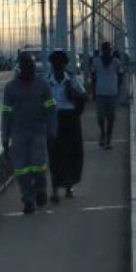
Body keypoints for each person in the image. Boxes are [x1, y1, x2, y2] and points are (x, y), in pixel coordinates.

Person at [0, 52, 57, 214]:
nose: (28, 69)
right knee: (21, 170)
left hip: (38, 132)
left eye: (31, 66)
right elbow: (6, 114)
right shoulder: (10, 88)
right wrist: (5, 137)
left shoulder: (43, 86)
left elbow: (51, 110)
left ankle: (40, 190)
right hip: (18, 134)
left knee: (38, 165)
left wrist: (52, 131)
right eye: (25, 66)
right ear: (20, 67)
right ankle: (28, 200)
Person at [47, 48, 86, 202]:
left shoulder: (72, 80)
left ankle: (69, 187)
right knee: (54, 155)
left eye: (60, 62)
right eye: (55, 62)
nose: (58, 65)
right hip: (55, 119)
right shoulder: (47, 81)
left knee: (72, 154)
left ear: (64, 64)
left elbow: (84, 95)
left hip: (70, 118)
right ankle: (55, 190)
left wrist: (73, 93)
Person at [90, 40, 123, 149]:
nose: (106, 51)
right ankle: (103, 134)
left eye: (107, 49)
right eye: (104, 49)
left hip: (112, 93)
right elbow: (93, 77)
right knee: (100, 117)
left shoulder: (117, 62)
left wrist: (118, 88)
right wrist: (93, 92)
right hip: (100, 92)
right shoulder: (96, 62)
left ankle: (108, 139)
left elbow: (121, 75)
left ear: (110, 50)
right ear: (102, 50)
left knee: (111, 118)